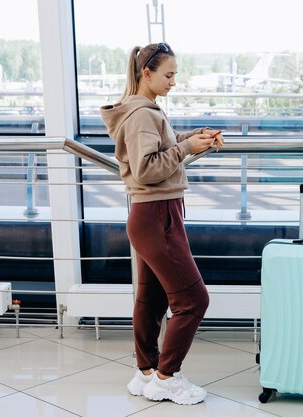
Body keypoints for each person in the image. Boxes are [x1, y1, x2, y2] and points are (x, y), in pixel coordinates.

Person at [100, 42, 223, 405]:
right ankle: (168, 377)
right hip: (157, 215)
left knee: (151, 298)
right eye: (168, 75)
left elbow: (161, 147)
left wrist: (192, 139)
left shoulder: (144, 111)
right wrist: (186, 150)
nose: (173, 82)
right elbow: (147, 168)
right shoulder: (142, 115)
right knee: (193, 299)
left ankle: (146, 371)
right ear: (146, 73)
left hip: (150, 215)